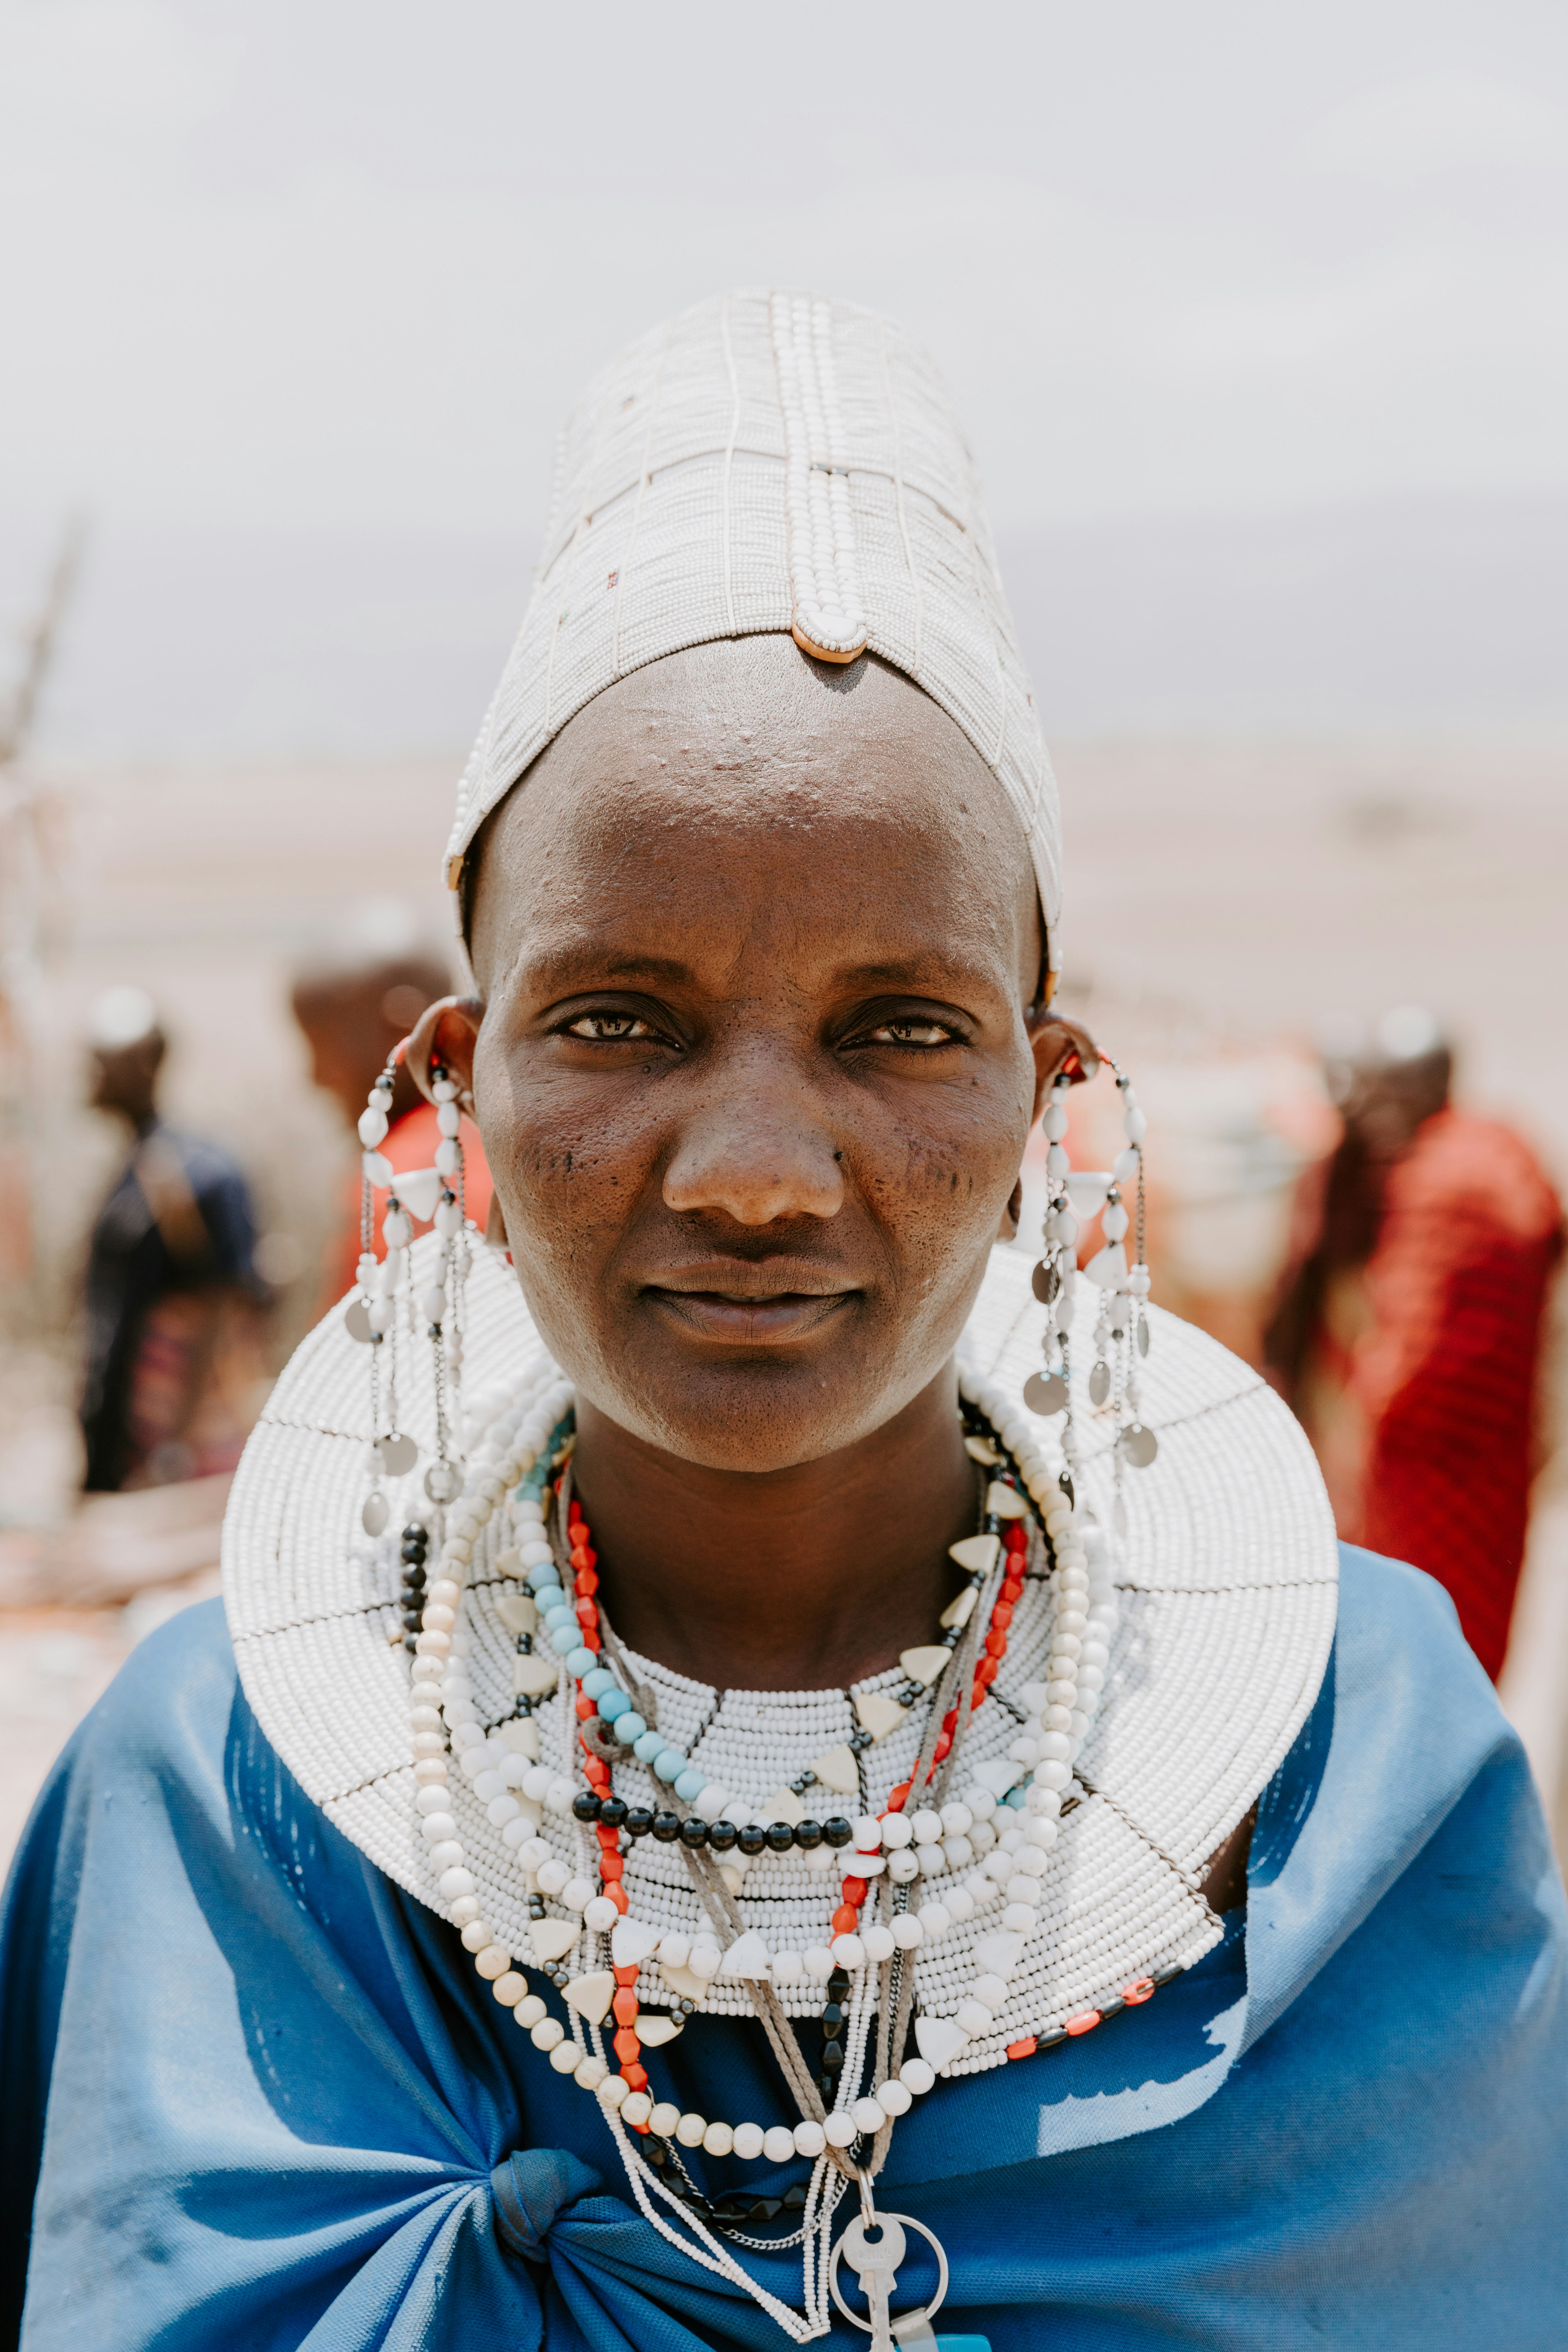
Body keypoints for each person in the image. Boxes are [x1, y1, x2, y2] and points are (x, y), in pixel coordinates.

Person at [3, 295, 1564, 2350]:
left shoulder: (1349, 1784)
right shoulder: (209, 1795)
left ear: (1047, 1089)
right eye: (619, 1019)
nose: (751, 1167)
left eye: (898, 1026)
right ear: (465, 1076)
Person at [1266, 1008, 1564, 1679]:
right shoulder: (1420, 1161)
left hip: (1439, 1465)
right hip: (1440, 1456)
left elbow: (1423, 1358)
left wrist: (1366, 1422)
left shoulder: (1460, 1183)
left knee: (1429, 1643)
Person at [76, 985, 270, 1493]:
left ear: (145, 1064)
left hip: (173, 1443)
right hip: (124, 1431)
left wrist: (174, 1445)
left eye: (107, 1059)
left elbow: (221, 1303)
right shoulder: (132, 1171)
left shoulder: (197, 1173)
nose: (92, 1071)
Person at [291, 937, 494, 1307]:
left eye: (323, 1043)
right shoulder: (506, 1137)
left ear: (402, 1021)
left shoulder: (396, 1178)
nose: (316, 1076)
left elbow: (363, 1349)